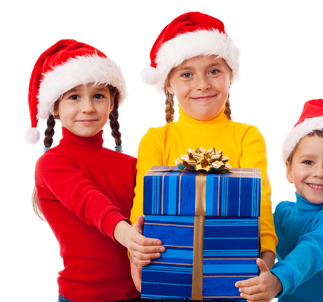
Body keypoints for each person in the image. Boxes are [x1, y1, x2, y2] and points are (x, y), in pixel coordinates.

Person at [128, 11, 278, 291]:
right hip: (168, 272)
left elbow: (261, 202)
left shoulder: (248, 136)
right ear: (169, 85)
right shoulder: (156, 139)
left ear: (230, 76)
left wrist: (267, 255)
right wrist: (134, 255)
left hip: (236, 277)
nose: (202, 84)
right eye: (187, 74)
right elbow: (141, 207)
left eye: (214, 70)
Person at [25, 39, 140, 302]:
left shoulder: (132, 164)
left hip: (140, 292)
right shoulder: (52, 163)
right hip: (81, 296)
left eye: (98, 95)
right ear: (55, 107)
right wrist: (127, 235)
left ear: (112, 104)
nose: (87, 107)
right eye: (74, 96)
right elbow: (89, 201)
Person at [235, 99, 323, 301]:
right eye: (308, 162)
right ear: (289, 170)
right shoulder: (283, 215)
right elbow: (252, 238)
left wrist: (277, 279)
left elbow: (311, 252)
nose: (319, 173)